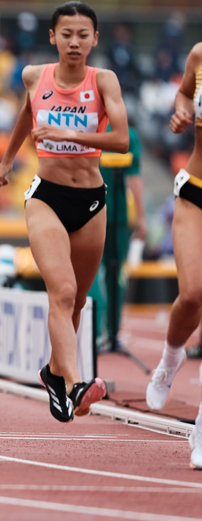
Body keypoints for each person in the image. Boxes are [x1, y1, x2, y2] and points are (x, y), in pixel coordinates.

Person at [0, 1, 129, 423]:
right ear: (52, 37)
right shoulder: (36, 76)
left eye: (83, 35)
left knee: (78, 301)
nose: (74, 42)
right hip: (46, 196)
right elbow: (25, 114)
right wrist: (7, 160)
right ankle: (76, 384)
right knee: (62, 292)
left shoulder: (104, 81)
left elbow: (121, 140)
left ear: (95, 39)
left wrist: (69, 131)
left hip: (90, 200)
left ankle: (53, 373)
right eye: (66, 34)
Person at [144, 41, 202, 468]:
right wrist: (182, 111)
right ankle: (169, 359)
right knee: (194, 294)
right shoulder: (200, 54)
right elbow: (185, 92)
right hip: (195, 193)